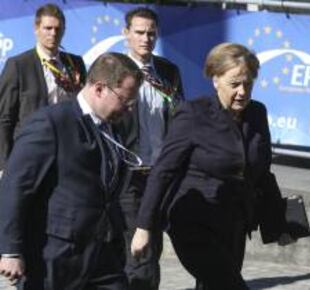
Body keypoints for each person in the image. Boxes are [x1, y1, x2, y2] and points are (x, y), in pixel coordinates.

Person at [130, 43, 292, 290]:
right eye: (234, 84)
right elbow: (164, 171)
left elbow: (262, 174)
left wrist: (279, 224)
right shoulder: (193, 114)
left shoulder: (257, 114)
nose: (242, 92)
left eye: (248, 84)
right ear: (216, 80)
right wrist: (144, 227)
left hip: (234, 223)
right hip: (192, 222)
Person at [0, 52, 142, 290]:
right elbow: (15, 187)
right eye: (124, 101)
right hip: (55, 256)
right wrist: (10, 250)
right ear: (99, 89)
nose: (128, 109)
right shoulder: (51, 123)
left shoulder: (113, 126)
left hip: (104, 253)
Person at [120, 7, 184, 290]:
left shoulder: (168, 71)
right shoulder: (114, 68)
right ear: (127, 34)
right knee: (137, 251)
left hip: (160, 173)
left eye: (151, 33)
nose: (146, 38)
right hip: (128, 173)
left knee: (152, 246)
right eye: (140, 32)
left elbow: (180, 118)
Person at [0, 3, 87, 176]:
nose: (53, 34)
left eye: (58, 29)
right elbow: (4, 117)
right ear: (36, 28)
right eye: (48, 28)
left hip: (67, 151)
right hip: (29, 152)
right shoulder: (18, 65)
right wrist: (3, 163)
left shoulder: (75, 63)